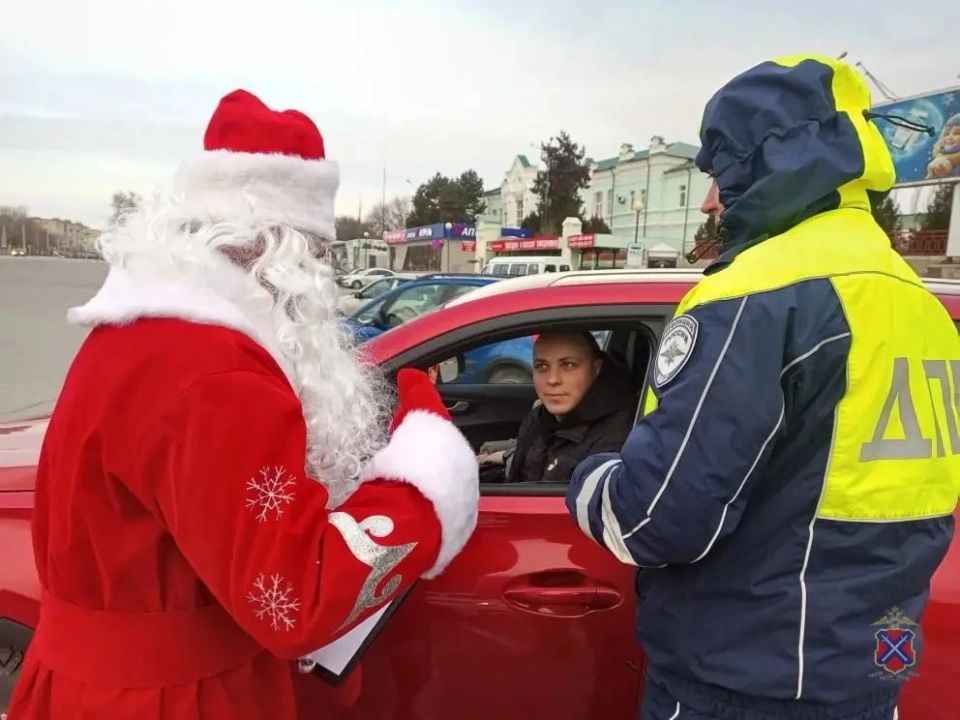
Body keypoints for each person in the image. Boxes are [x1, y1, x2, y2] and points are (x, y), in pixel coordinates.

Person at [9, 89, 479, 720]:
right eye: (317, 257)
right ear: (280, 251)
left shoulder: (131, 336)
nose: (320, 278)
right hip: (178, 699)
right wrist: (420, 487)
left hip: (86, 685)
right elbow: (293, 596)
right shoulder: (219, 375)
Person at [567, 55, 959, 720]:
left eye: (722, 171)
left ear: (771, 163)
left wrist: (589, 475)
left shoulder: (755, 297)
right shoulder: (916, 303)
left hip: (742, 683)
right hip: (870, 671)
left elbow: (656, 521)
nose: (714, 199)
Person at [478, 332, 637, 484]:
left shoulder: (618, 438)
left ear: (596, 369)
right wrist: (501, 456)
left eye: (568, 365)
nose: (553, 380)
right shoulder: (538, 418)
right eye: (542, 366)